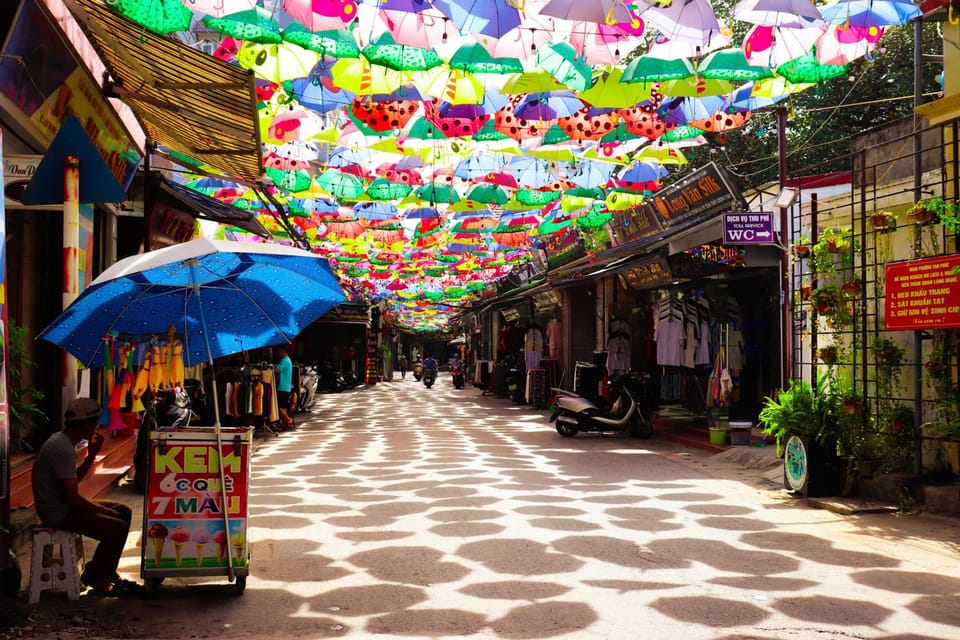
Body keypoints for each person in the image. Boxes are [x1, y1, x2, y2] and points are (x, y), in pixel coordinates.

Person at [32, 398, 141, 596]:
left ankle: (103, 574)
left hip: (62, 505)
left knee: (123, 511)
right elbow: (72, 499)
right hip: (58, 512)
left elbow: (74, 481)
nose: (97, 427)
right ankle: (97, 579)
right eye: (95, 423)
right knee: (117, 526)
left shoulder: (64, 441)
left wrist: (92, 455)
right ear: (86, 424)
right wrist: (103, 510)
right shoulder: (63, 448)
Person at [276, 343, 294, 429]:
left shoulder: (285, 360)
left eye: (279, 351)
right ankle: (284, 423)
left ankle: (288, 419)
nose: (278, 353)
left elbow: (277, 370)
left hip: (283, 387)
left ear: (283, 351)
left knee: (280, 407)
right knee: (283, 406)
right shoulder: (287, 360)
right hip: (285, 387)